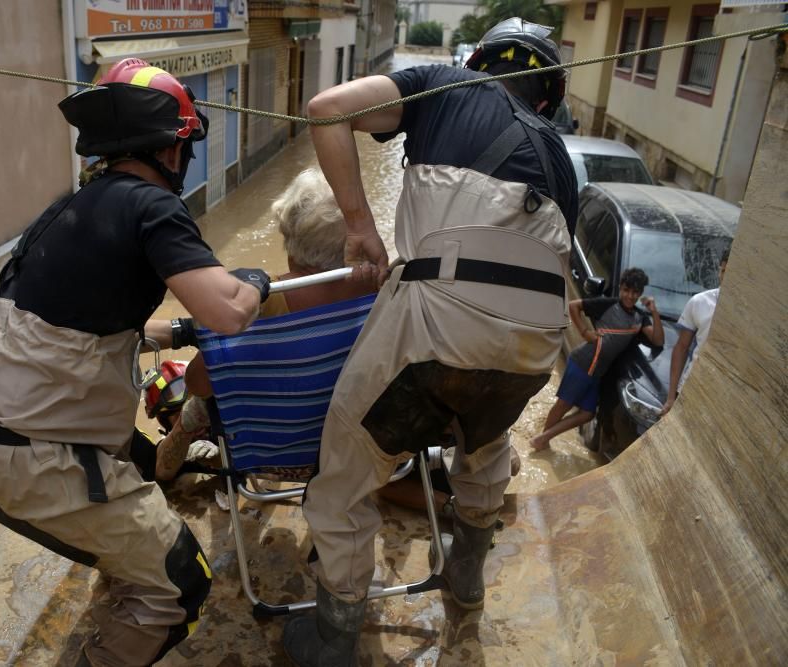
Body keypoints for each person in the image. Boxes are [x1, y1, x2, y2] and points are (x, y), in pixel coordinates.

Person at [0, 59, 271, 667]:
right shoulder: (153, 207)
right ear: (168, 147)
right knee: (182, 584)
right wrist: (257, 280)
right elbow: (230, 312)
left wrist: (174, 330)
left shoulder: (69, 210)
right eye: (184, 148)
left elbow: (80, 333)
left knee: (148, 467)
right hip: (37, 458)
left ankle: (123, 573)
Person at [282, 18, 579, 665]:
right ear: (548, 98)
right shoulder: (561, 158)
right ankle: (466, 577)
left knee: (343, 470)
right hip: (534, 350)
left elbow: (326, 111)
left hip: (440, 319)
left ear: (478, 62)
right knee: (487, 438)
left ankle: (333, 636)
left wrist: (360, 224)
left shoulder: (442, 84)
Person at [148, 168, 378, 481]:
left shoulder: (257, 301)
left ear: (287, 231)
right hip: (355, 455)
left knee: (202, 399)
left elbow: (198, 384)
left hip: (271, 462)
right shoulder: (374, 292)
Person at [530, 268, 663, 451]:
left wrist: (654, 312)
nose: (630, 296)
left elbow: (658, 340)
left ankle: (542, 438)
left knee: (587, 414)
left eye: (635, 292)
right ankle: (541, 443)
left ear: (640, 293)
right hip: (583, 363)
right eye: (626, 290)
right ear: (620, 288)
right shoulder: (608, 304)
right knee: (563, 405)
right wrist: (585, 332)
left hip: (596, 372)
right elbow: (574, 305)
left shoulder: (640, 318)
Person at [661, 249, 729, 416]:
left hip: (726, 400)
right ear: (720, 269)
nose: (725, 277)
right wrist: (671, 397)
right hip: (689, 390)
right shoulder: (700, 302)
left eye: (732, 272)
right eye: (723, 271)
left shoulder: (750, 314)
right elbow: (681, 347)